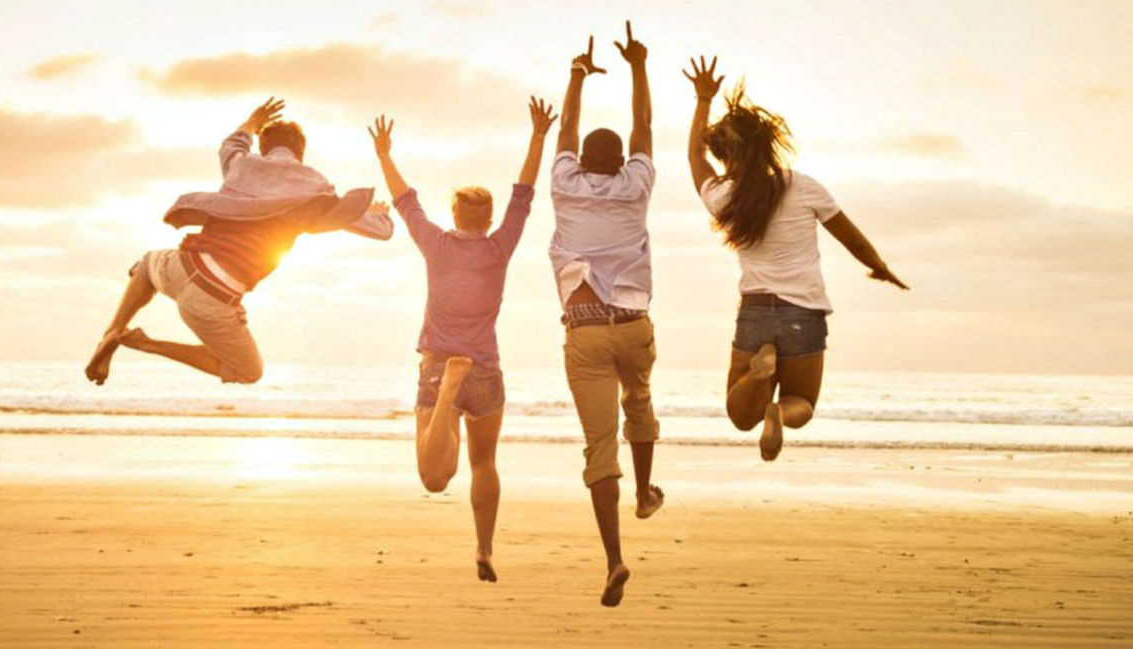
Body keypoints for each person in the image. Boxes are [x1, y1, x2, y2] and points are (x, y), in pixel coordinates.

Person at [366, 98, 557, 583]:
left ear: (453, 215)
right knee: (484, 462)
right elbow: (523, 195)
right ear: (489, 221)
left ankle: (449, 393)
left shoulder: (436, 243)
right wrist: (538, 136)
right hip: (485, 369)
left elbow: (405, 201)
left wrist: (384, 154)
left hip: (438, 366)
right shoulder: (500, 246)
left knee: (435, 478)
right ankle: (484, 547)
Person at [683, 56, 909, 461]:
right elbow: (852, 239)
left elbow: (694, 158)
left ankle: (759, 374)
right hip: (803, 312)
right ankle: (778, 413)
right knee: (802, 402)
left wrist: (702, 99)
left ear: (727, 156)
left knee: (740, 415)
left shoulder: (724, 197)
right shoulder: (802, 186)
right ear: (765, 147)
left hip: (755, 309)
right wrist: (880, 267)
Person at [84, 98, 392, 385]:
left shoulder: (242, 166)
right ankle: (144, 343)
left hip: (181, 266)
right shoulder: (314, 188)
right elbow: (380, 231)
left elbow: (231, 144)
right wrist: (378, 213)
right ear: (301, 152)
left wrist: (252, 122)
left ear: (264, 148)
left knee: (147, 263)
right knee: (247, 372)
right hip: (213, 298)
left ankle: (111, 330)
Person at [549, 22, 663, 608]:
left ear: (582, 162)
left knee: (599, 444)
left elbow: (566, 128)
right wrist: (638, 66)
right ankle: (644, 493)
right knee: (637, 400)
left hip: (586, 330)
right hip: (633, 325)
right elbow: (644, 126)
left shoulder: (563, 185)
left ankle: (615, 558)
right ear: (620, 161)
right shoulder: (635, 184)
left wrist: (577, 76)